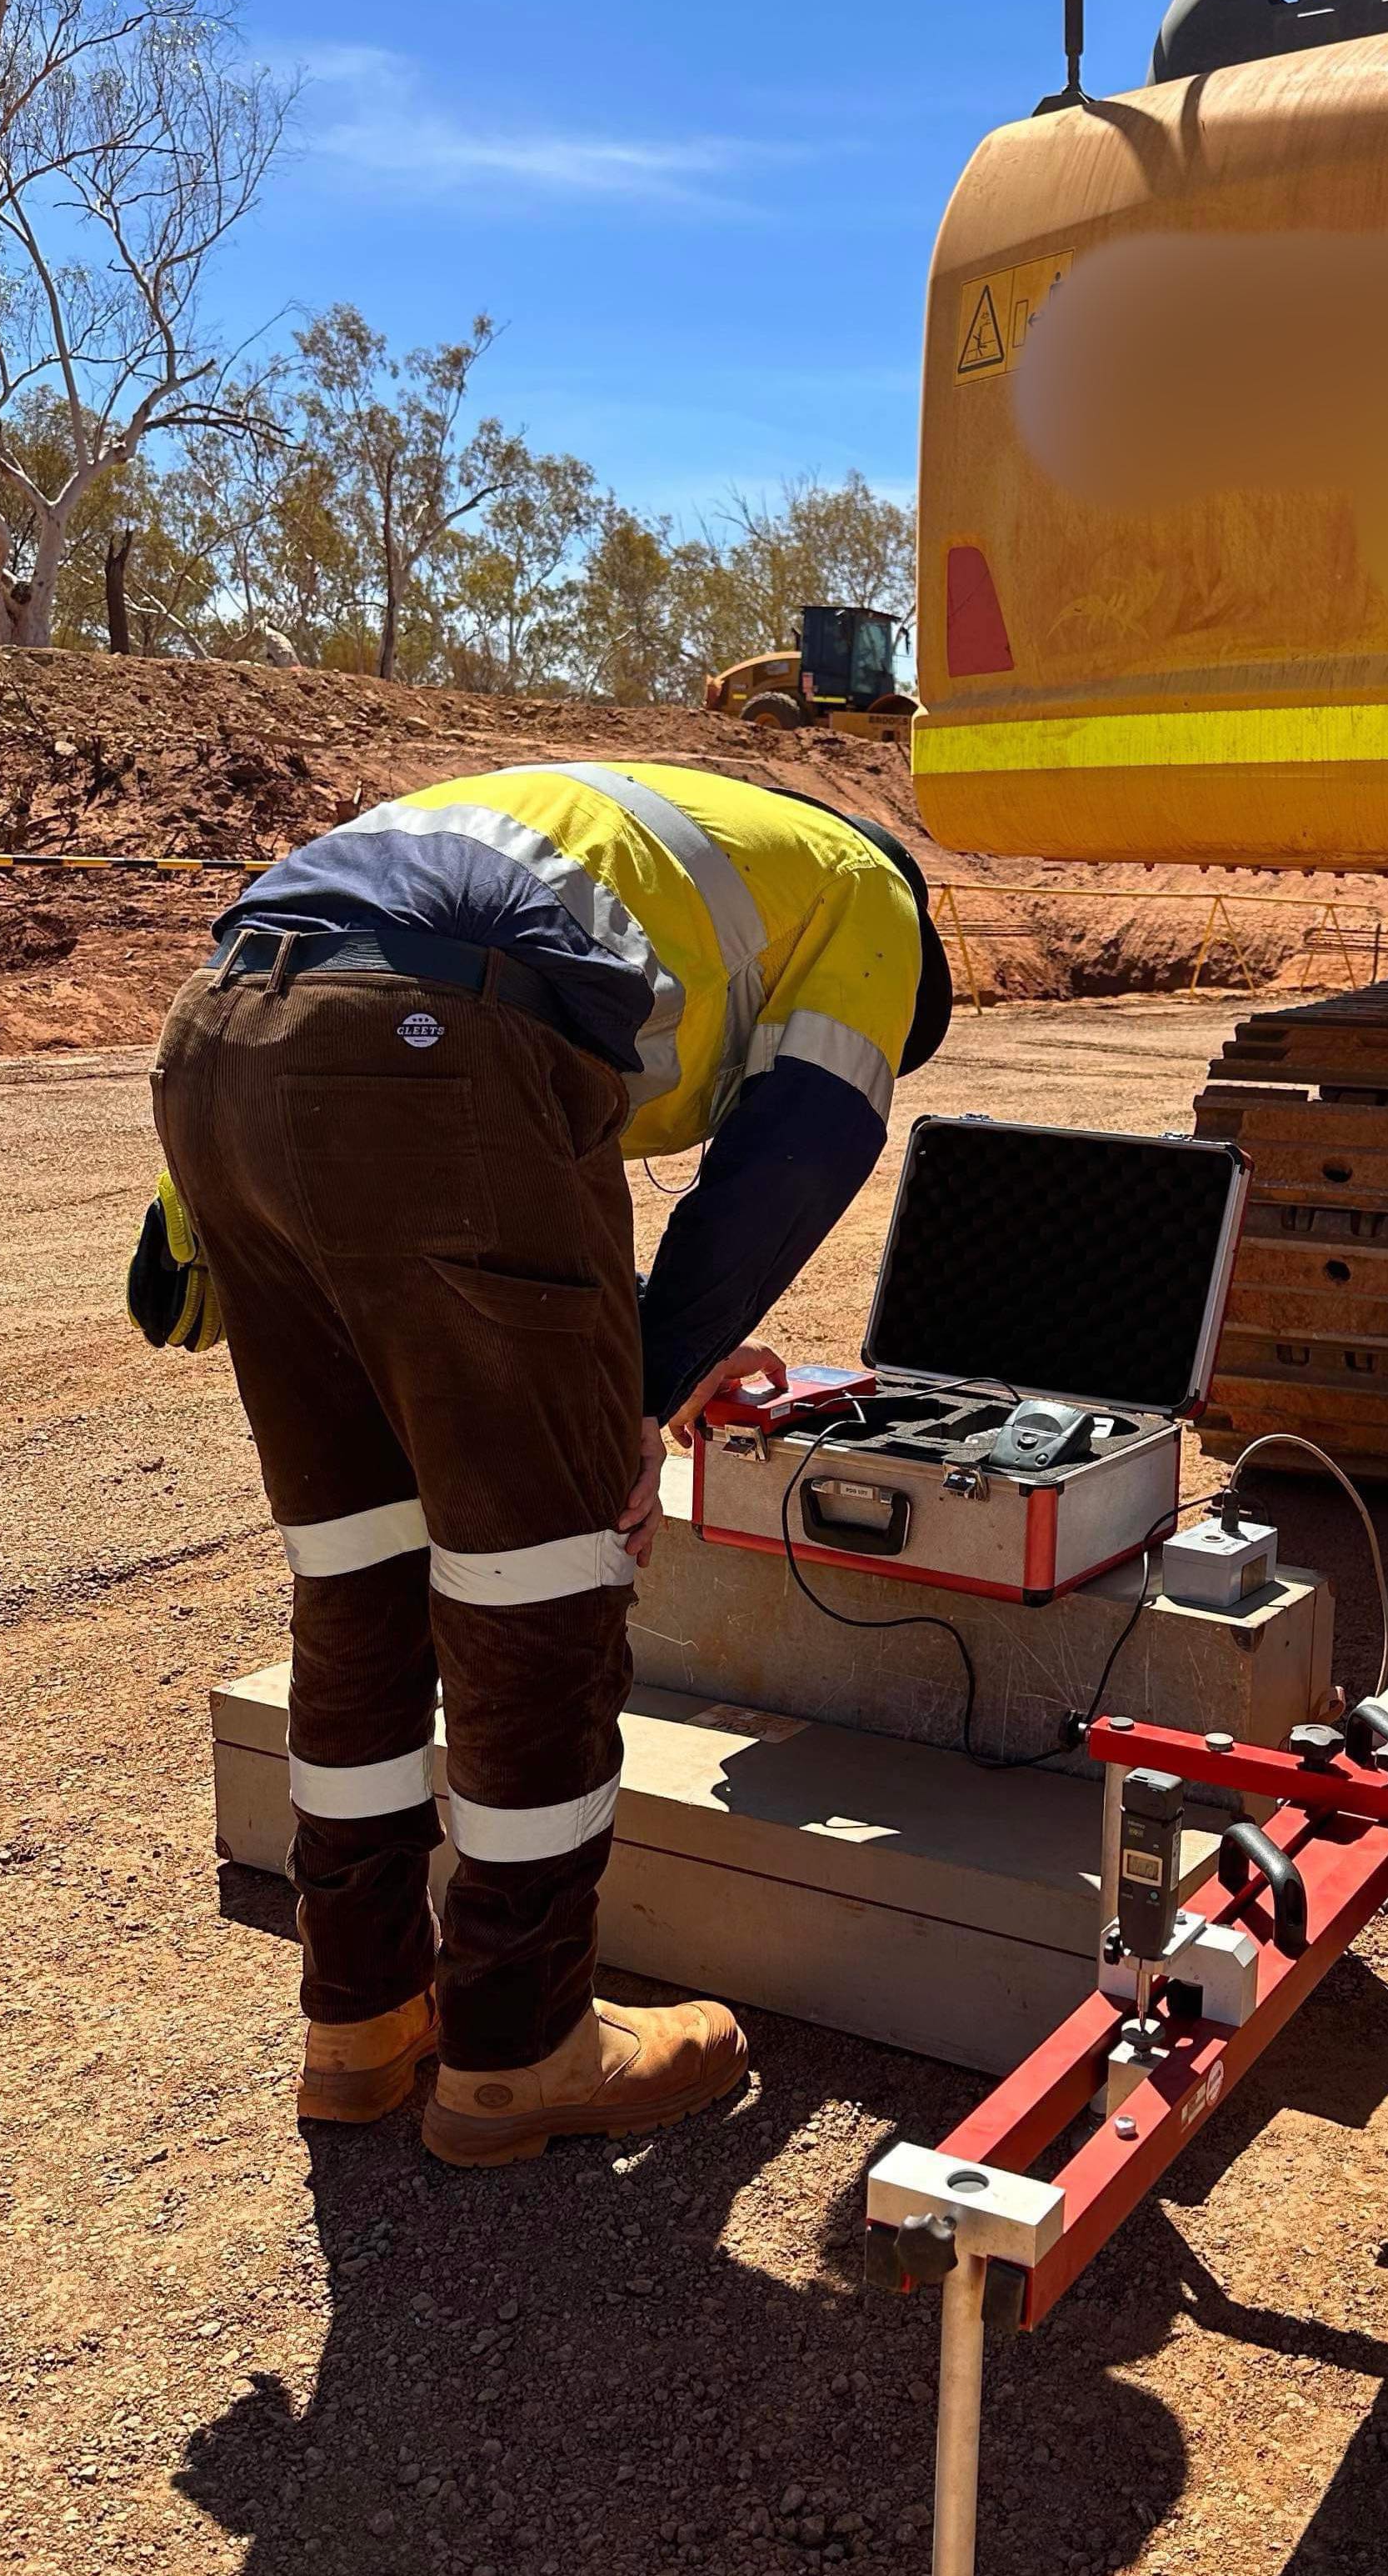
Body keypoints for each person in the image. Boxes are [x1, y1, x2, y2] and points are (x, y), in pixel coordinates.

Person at [136, 760, 952, 2168]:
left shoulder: (627, 828)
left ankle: (362, 2023)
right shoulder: (872, 897)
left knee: (359, 1571)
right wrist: (630, 1395)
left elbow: (335, 1000)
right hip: (428, 1049)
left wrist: (191, 1222)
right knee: (540, 1581)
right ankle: (519, 2050)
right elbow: (802, 1145)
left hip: (216, 1043)